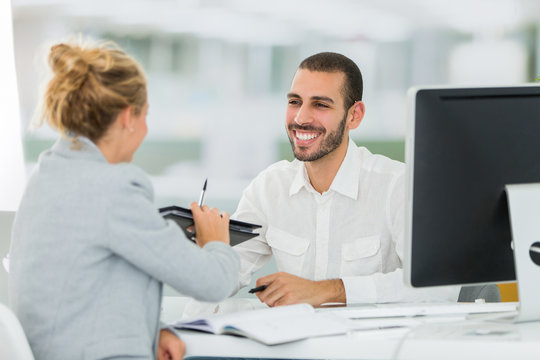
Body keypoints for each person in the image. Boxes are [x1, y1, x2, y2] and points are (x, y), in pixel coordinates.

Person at [8, 39, 239, 360]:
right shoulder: (113, 189)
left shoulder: (46, 176)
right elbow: (214, 283)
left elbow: (80, 286)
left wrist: (153, 329)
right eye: (146, 115)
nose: (145, 128)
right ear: (129, 116)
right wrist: (216, 243)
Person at [232, 52, 458, 307]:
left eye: (321, 105)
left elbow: (441, 285)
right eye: (295, 101)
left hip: (373, 345)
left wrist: (330, 291)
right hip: (292, 343)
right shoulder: (268, 188)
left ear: (354, 116)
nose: (300, 118)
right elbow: (227, 274)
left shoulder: (398, 185)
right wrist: (205, 248)